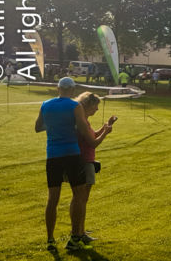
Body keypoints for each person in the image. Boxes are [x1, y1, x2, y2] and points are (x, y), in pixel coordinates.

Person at [35, 77, 96, 251]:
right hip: (71, 154)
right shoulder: (74, 106)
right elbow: (83, 130)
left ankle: (50, 240)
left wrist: (55, 125)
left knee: (52, 198)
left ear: (58, 88)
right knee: (79, 195)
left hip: (52, 155)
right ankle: (75, 236)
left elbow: (38, 127)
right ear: (73, 90)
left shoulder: (45, 104)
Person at [74, 92, 116, 244]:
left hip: (86, 160)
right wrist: (105, 132)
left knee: (82, 200)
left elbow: (92, 136)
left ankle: (81, 230)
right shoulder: (82, 122)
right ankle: (79, 232)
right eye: (95, 106)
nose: (97, 109)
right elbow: (93, 143)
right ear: (87, 105)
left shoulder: (84, 121)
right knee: (81, 200)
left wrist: (106, 126)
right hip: (85, 161)